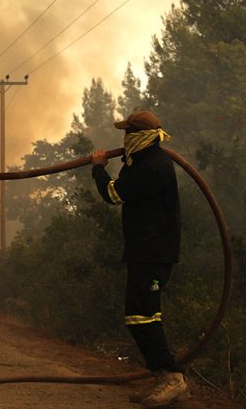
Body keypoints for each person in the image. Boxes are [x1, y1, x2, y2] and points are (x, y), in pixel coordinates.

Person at [90, 111, 189, 408]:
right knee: (140, 314)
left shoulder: (151, 167)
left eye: (127, 133)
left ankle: (172, 378)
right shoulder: (145, 161)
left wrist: (98, 168)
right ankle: (167, 377)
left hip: (152, 253)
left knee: (142, 315)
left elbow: (113, 194)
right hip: (146, 252)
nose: (124, 139)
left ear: (138, 136)